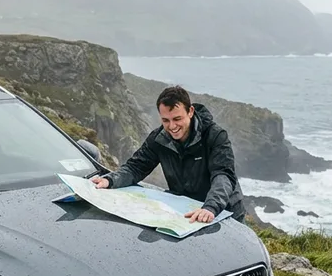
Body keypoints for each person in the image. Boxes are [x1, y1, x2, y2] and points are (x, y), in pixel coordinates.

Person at [91, 85, 246, 223]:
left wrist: (210, 207)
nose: (172, 126)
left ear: (190, 111)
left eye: (177, 119)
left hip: (224, 212)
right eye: (165, 120)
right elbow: (136, 167)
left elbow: (223, 175)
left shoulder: (215, 136)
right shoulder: (158, 138)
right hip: (188, 212)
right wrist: (110, 180)